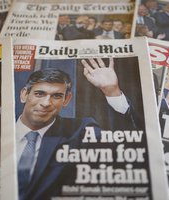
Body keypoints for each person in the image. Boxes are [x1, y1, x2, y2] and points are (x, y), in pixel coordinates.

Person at [16, 58, 139, 200]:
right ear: (24, 94)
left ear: (66, 99)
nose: (46, 103)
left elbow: (127, 145)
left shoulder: (79, 130)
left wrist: (112, 91)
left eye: (56, 96)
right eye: (39, 94)